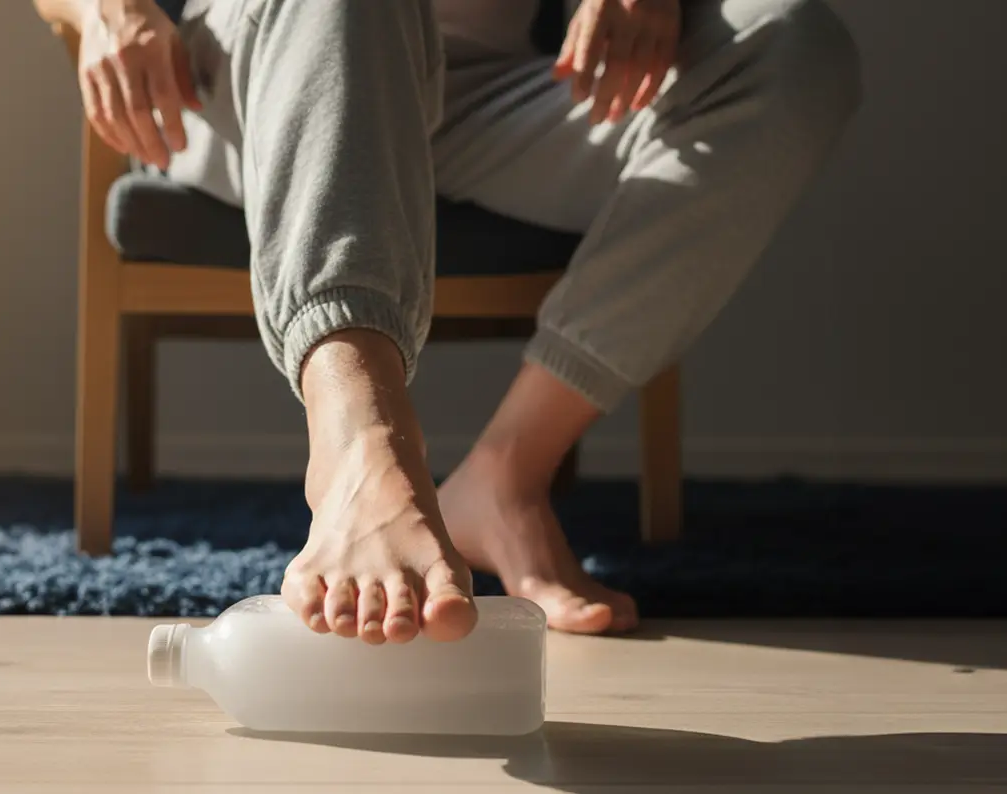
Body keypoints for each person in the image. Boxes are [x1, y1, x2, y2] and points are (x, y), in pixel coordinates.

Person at [75, 0, 862, 640]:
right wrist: (104, 10)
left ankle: (507, 475)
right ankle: (358, 446)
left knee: (795, 45)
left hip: (498, 92)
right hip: (256, 75)